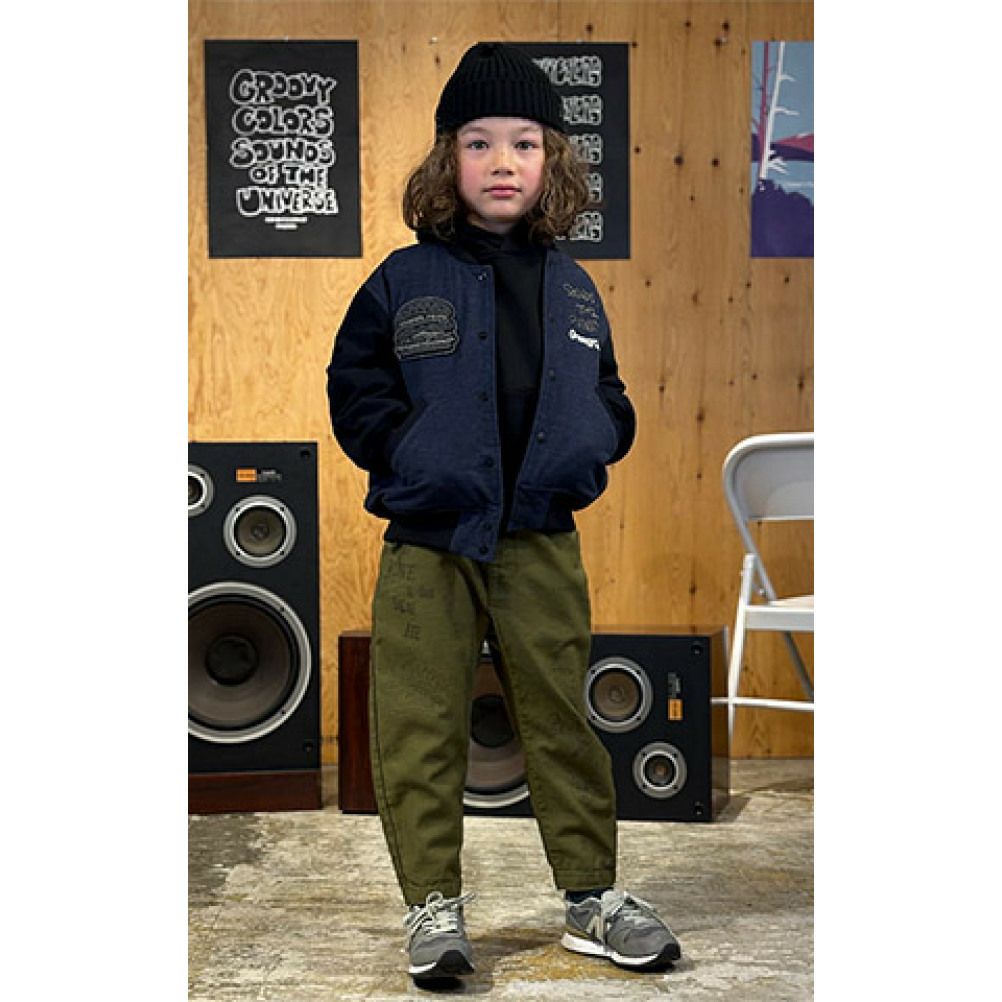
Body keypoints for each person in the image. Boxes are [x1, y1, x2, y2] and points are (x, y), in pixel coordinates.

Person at [326, 41, 680, 985]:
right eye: (477, 143)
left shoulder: (573, 286)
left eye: (523, 143)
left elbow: (608, 392)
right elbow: (355, 385)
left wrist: (596, 439)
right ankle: (432, 907)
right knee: (419, 721)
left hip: (540, 539)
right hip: (430, 541)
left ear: (550, 160)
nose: (501, 163)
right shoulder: (402, 279)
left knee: (562, 715)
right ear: (447, 160)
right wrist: (408, 450)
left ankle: (592, 898)